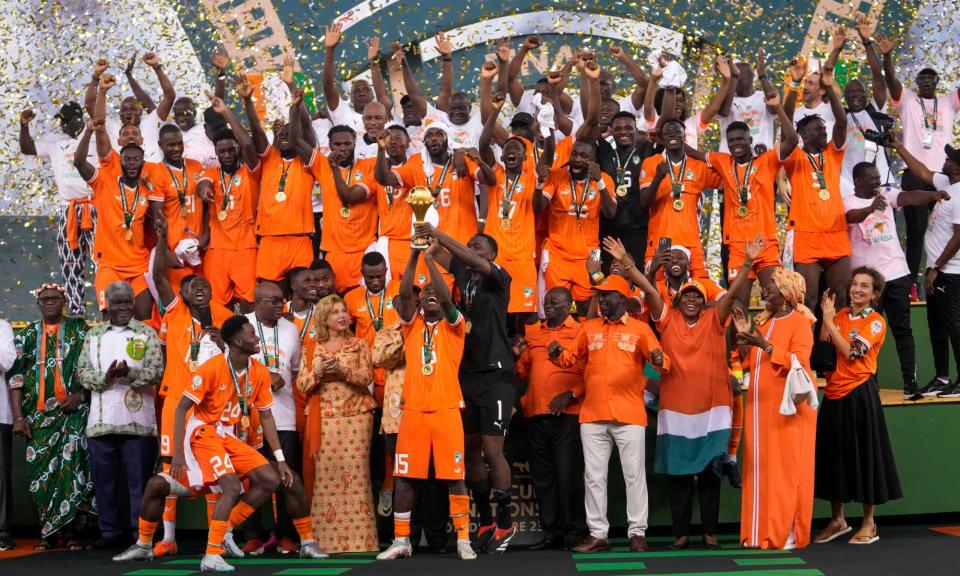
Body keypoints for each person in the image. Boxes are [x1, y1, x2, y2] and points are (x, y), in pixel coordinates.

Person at [113, 315, 326, 572]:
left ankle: (288, 540)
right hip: (202, 433)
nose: (257, 338)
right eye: (251, 334)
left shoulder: (257, 371)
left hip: (227, 436)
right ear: (237, 341)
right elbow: (182, 408)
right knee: (231, 486)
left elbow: (267, 416)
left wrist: (280, 460)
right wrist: (178, 454)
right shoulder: (212, 368)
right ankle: (211, 554)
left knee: (275, 478)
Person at [547, 274, 667, 554]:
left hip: (629, 414)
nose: (601, 299)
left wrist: (661, 359)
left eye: (607, 295)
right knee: (594, 477)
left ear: (622, 300)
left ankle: (637, 533)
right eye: (600, 295)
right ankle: (598, 534)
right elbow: (569, 359)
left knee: (634, 476)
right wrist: (556, 353)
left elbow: (661, 361)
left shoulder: (639, 329)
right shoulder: (588, 328)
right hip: (593, 414)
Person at [418, 223, 518, 553]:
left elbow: (465, 257)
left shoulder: (498, 277)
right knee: (470, 450)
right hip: (468, 374)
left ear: (490, 255)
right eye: (469, 245)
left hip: (497, 374)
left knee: (492, 451)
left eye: (477, 247)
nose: (471, 249)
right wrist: (425, 240)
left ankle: (506, 523)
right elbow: (434, 255)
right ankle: (487, 518)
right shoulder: (463, 273)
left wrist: (438, 232)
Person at [377, 248, 475, 561]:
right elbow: (405, 292)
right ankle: (402, 541)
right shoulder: (411, 326)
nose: (430, 296)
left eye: (435, 292)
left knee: (454, 477)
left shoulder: (455, 326)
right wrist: (414, 254)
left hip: (447, 410)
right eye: (426, 294)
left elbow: (446, 299)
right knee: (405, 478)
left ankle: (463, 540)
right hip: (414, 412)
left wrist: (431, 261)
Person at [152, 229, 232, 557]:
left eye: (203, 285)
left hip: (210, 407)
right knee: (172, 467)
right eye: (192, 286)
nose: (198, 288)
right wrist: (160, 240)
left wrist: (224, 342)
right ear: (183, 294)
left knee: (215, 471)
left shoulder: (226, 317)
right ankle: (168, 537)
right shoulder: (176, 313)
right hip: (177, 402)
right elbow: (158, 275)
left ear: (212, 291)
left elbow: (240, 360)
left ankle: (220, 538)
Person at [842, 161, 950, 399]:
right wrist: (871, 209)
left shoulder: (886, 193)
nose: (877, 182)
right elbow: (850, 216)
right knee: (865, 331)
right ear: (858, 181)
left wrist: (933, 194)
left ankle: (910, 385)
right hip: (868, 280)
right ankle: (871, 384)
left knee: (903, 330)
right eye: (872, 178)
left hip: (897, 273)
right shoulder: (848, 201)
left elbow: (910, 196)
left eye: (878, 177)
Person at [814, 267, 903, 545]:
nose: (858, 290)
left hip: (860, 393)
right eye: (855, 284)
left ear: (875, 294)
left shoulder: (875, 322)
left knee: (866, 456)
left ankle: (868, 522)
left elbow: (852, 353)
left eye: (865, 286)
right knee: (834, 456)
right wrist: (825, 319)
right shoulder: (839, 316)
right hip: (833, 392)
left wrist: (828, 319)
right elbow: (824, 350)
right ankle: (838, 519)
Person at [731, 267, 817, 550]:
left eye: (771, 288)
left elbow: (800, 362)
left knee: (786, 471)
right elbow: (747, 363)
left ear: (787, 294)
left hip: (788, 409)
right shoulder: (763, 323)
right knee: (759, 468)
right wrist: (744, 337)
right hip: (758, 407)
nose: (765, 292)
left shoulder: (800, 323)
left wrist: (765, 346)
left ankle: (787, 532)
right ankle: (757, 533)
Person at [7, 284, 94, 551]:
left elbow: (94, 366)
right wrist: (19, 417)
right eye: (44, 299)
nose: (49, 302)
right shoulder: (29, 335)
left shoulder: (81, 330)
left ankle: (69, 535)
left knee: (72, 472)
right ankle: (46, 534)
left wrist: (79, 396)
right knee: (39, 478)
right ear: (38, 304)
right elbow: (16, 379)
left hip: (73, 415)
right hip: (38, 419)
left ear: (64, 300)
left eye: (54, 298)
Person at [76, 281, 163, 549]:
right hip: (101, 422)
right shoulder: (94, 335)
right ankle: (110, 532)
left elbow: (157, 372)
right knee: (105, 483)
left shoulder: (146, 333)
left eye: (127, 301)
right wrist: (106, 377)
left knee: (140, 483)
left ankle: (142, 534)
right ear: (107, 306)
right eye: (118, 302)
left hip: (138, 422)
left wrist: (130, 373)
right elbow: (82, 373)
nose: (124, 307)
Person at [699, 93, 798, 304]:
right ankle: (740, 337)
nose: (736, 144)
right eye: (731, 140)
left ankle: (771, 336)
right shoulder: (722, 161)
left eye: (740, 139)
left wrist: (779, 108)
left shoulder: (767, 160)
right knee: (737, 305)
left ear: (750, 140)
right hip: (737, 245)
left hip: (766, 242)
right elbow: (695, 154)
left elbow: (793, 140)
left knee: (777, 297)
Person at [298, 294, 378, 552]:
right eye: (335, 312)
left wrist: (342, 371)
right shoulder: (311, 347)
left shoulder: (359, 344)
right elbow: (302, 384)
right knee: (326, 477)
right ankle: (322, 541)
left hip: (356, 416)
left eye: (344, 311)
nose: (342, 316)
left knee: (357, 475)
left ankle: (362, 542)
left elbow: (367, 377)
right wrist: (319, 373)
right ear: (324, 319)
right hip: (324, 419)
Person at [881, 33, 960, 292]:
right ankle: (911, 284)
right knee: (915, 233)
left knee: (947, 229)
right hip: (915, 174)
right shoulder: (908, 101)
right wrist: (887, 55)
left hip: (944, 177)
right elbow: (891, 82)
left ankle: (944, 276)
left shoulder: (949, 101)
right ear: (916, 81)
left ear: (937, 81)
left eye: (931, 77)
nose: (926, 80)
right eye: (922, 77)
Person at [513, 287, 586, 551]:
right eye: (546, 303)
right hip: (535, 413)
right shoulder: (535, 333)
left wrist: (571, 393)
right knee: (543, 477)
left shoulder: (580, 331)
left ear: (569, 304)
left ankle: (574, 532)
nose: (550, 306)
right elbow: (522, 371)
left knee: (568, 475)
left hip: (567, 414)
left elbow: (592, 370)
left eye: (555, 302)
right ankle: (551, 532)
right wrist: (516, 356)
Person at [892, 142, 960, 397]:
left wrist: (936, 268)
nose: (945, 159)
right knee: (937, 326)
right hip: (937, 270)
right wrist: (897, 145)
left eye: (950, 158)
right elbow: (920, 171)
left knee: (954, 325)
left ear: (956, 167)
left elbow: (958, 237)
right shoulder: (946, 184)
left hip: (951, 273)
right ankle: (942, 378)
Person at [73, 113, 155, 320]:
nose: (132, 163)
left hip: (139, 265)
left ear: (143, 162)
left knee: (144, 317)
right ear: (121, 161)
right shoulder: (103, 183)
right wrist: (89, 130)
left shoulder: (147, 190)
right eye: (127, 159)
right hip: (110, 265)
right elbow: (79, 161)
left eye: (137, 159)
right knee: (111, 318)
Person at [782, 64, 850, 311]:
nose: (824, 133)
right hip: (806, 235)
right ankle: (805, 350)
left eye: (824, 129)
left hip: (836, 233)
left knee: (841, 296)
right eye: (819, 130)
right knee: (807, 299)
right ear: (803, 135)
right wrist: (792, 89)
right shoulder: (794, 158)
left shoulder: (832, 154)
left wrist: (830, 86)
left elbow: (841, 121)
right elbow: (786, 127)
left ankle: (837, 350)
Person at [241, 282, 302, 554]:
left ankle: (286, 535)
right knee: (251, 478)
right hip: (249, 418)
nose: (281, 306)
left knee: (285, 477)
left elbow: (296, 370)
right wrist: (266, 377)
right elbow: (231, 366)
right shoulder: (240, 326)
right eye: (275, 301)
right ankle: (252, 534)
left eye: (282, 301)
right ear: (257, 303)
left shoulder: (291, 329)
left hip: (284, 415)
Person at [19, 103, 96, 316]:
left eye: (66, 119)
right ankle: (76, 311)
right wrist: (24, 126)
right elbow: (27, 148)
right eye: (61, 119)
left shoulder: (94, 137)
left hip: (94, 206)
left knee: (102, 260)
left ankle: (106, 308)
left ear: (78, 120)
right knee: (70, 261)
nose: (62, 124)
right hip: (68, 208)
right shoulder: (54, 141)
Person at [243, 83, 317, 284]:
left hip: (300, 238)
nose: (284, 138)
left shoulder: (308, 162)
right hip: (269, 240)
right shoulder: (269, 160)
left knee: (303, 291)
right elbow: (257, 133)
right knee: (270, 291)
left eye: (288, 135)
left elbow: (307, 128)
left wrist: (295, 108)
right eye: (280, 135)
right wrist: (247, 101)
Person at [343, 252, 399, 510]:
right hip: (366, 377)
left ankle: (389, 484)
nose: (375, 281)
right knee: (365, 437)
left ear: (386, 270)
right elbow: (345, 334)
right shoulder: (352, 297)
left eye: (379, 276)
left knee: (391, 434)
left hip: (396, 376)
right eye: (369, 277)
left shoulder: (399, 289)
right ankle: (357, 491)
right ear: (362, 274)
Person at [197, 94, 261, 310]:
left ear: (237, 149)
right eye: (221, 151)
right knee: (216, 304)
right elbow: (201, 184)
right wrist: (204, 190)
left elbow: (249, 145)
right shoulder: (210, 172)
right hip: (217, 249)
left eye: (231, 149)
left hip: (246, 247)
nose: (226, 154)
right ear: (215, 151)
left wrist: (225, 112)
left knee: (249, 303)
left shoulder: (251, 171)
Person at [538, 139, 617, 313]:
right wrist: (539, 183)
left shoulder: (606, 180)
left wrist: (600, 182)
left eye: (584, 156)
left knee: (588, 305)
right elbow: (538, 207)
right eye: (574, 154)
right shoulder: (557, 176)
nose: (578, 159)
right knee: (557, 305)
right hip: (557, 253)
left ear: (593, 159)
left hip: (589, 254)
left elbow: (610, 213)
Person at [637, 118, 722, 277]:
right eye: (667, 133)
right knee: (660, 285)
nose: (672, 135)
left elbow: (728, 175)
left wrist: (700, 155)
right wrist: (658, 178)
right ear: (661, 139)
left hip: (691, 240)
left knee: (699, 285)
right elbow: (644, 202)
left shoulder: (699, 166)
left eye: (677, 132)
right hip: (663, 240)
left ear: (685, 137)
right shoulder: (651, 163)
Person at [145, 123, 208, 296]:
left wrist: (205, 237)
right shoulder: (157, 173)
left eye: (179, 143)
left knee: (203, 296)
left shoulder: (196, 166)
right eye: (171, 145)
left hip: (199, 247)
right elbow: (156, 218)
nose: (176, 148)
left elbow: (208, 206)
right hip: (175, 250)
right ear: (160, 145)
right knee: (180, 297)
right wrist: (165, 251)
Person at [596, 111, 655, 268]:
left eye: (628, 127)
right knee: (609, 275)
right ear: (612, 131)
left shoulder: (646, 150)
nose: (623, 132)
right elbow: (589, 129)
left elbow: (664, 129)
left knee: (636, 275)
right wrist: (600, 130)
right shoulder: (605, 152)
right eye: (618, 128)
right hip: (608, 229)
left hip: (638, 228)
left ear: (636, 130)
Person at [357, 124, 413, 280]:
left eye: (398, 138)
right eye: (388, 139)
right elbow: (351, 195)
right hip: (388, 242)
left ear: (408, 142)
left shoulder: (416, 164)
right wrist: (381, 150)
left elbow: (386, 178)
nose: (393, 142)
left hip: (413, 239)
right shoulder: (378, 171)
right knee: (390, 289)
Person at [716, 50, 779, 152]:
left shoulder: (763, 96)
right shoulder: (726, 99)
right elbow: (724, 112)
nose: (735, 80)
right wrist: (734, 77)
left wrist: (762, 74)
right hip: (731, 161)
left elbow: (774, 108)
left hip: (761, 159)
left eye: (738, 76)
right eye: (732, 76)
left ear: (751, 77)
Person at [0, 317, 16, 551]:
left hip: (0, 413)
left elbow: (7, 361)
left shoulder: (2, 327)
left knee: (0, 477)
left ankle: (2, 531)